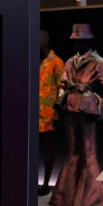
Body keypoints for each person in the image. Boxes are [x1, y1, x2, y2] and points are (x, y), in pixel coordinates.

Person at [50, 24, 103, 206]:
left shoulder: (98, 62)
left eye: (80, 40)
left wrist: (100, 105)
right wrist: (60, 104)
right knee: (73, 151)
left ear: (89, 40)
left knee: (88, 152)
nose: (77, 43)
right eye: (74, 41)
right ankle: (66, 197)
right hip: (70, 108)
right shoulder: (70, 62)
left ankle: (91, 199)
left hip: (87, 111)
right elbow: (64, 85)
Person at [38, 30, 65, 196]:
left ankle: (46, 183)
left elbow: (61, 89)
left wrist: (56, 111)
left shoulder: (56, 62)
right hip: (31, 111)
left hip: (47, 112)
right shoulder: (35, 61)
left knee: (47, 147)